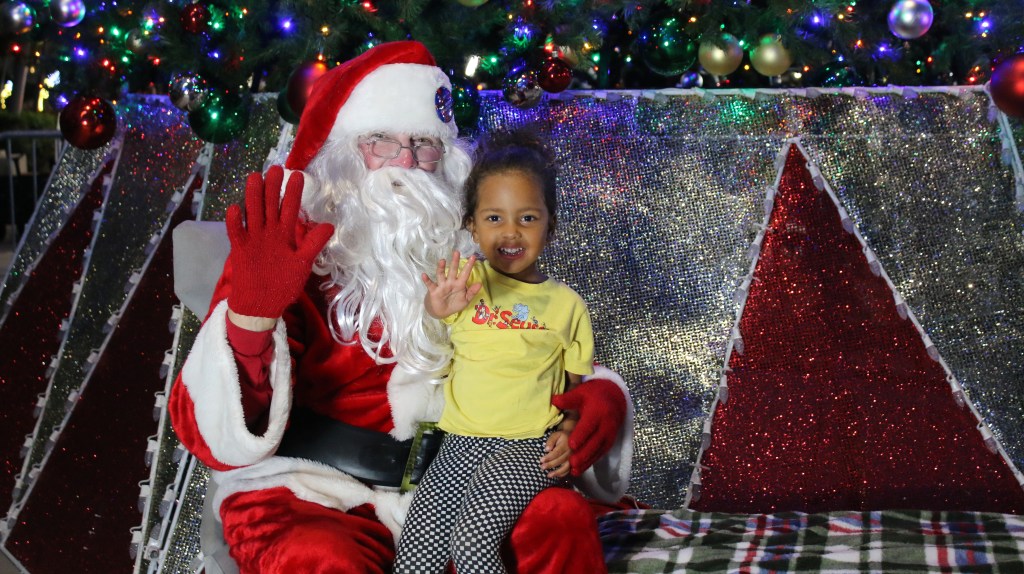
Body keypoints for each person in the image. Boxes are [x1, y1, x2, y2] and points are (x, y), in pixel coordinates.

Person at [169, 40, 633, 573]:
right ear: (342, 156)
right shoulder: (282, 248)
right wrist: (250, 321)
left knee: (558, 519)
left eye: (424, 143)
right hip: (317, 489)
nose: (407, 161)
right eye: (382, 141)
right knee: (321, 559)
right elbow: (208, 436)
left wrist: (599, 397)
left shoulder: (473, 249)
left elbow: (535, 342)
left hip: (466, 476)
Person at [394, 130, 595, 573]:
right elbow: (433, 321)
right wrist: (437, 307)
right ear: (472, 226)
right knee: (415, 557)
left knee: (472, 544)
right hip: (460, 442)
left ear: (550, 225)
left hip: (527, 447)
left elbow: (576, 391)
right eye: (494, 218)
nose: (510, 232)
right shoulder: (465, 283)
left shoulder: (567, 306)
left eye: (527, 218)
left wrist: (569, 432)